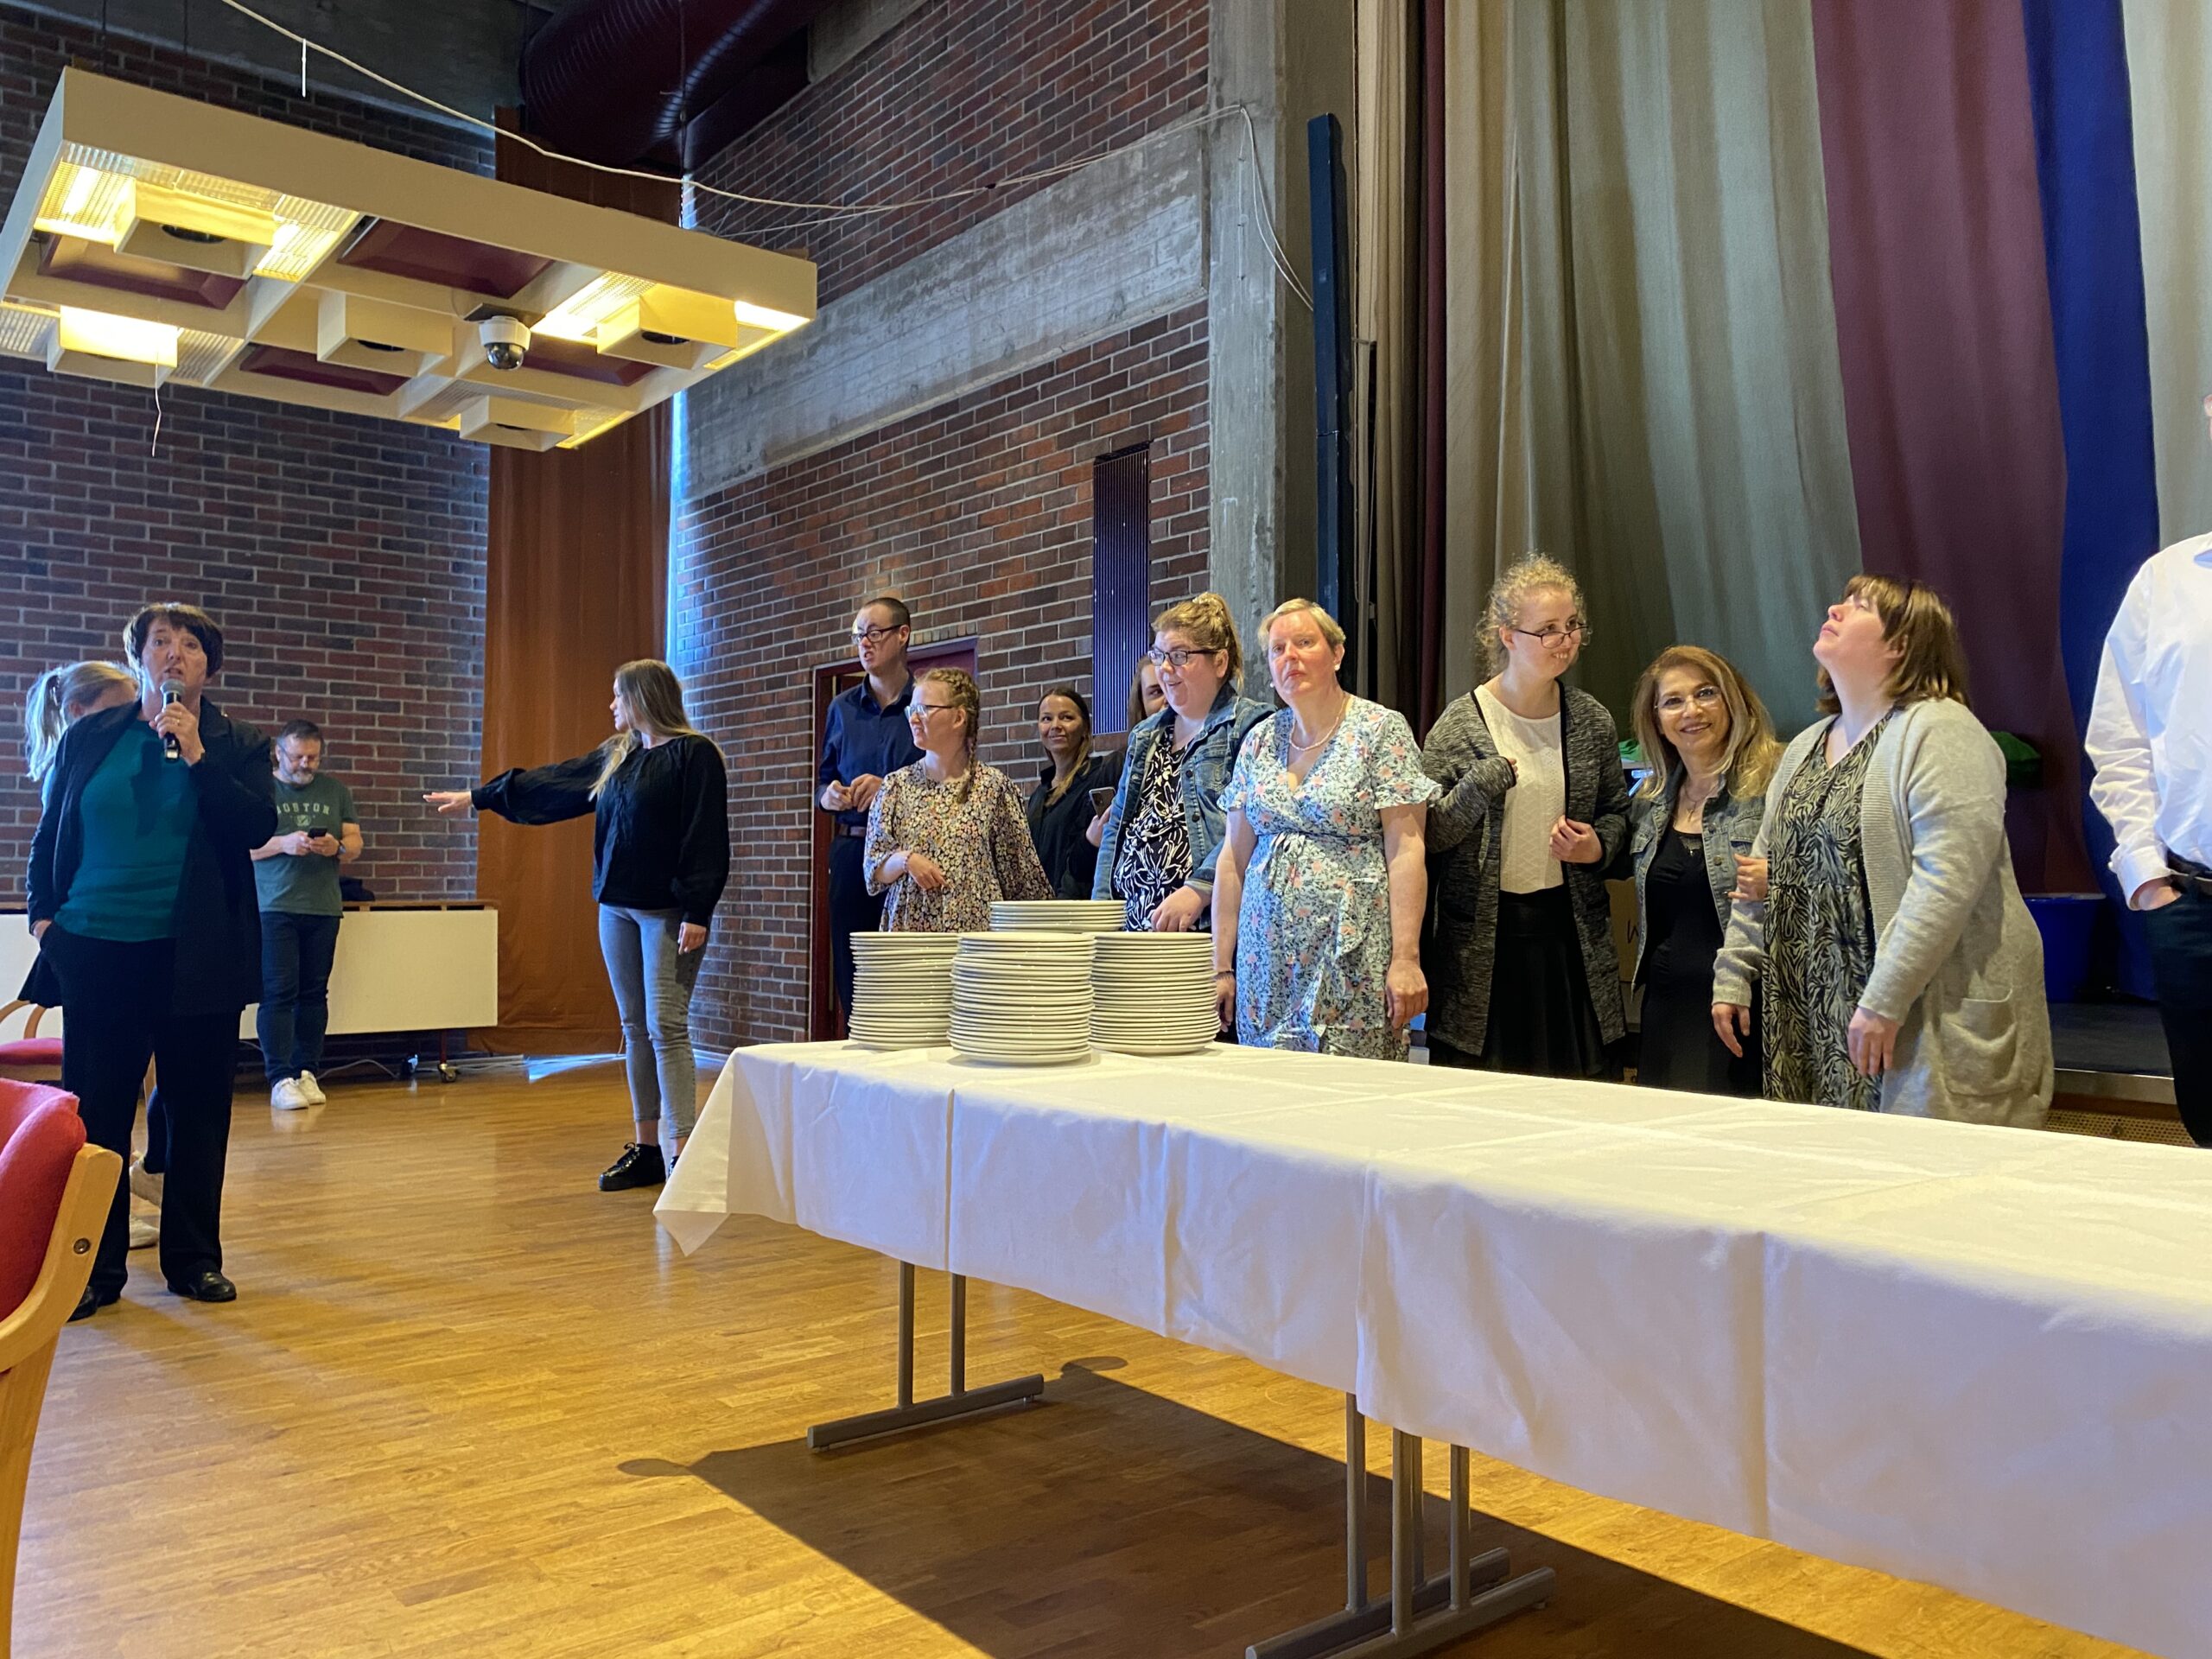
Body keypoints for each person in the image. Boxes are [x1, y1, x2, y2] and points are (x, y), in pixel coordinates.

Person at [1712, 576, 2052, 1125]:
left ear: (1902, 644)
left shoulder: (1942, 731)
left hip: (1910, 1015)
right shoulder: (1805, 746)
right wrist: (1734, 972)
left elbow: (1945, 882)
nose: (1835, 609)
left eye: (1859, 605)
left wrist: (1884, 1000)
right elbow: (1760, 871)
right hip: (1815, 1015)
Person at [29, 604, 276, 1319]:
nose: (174, 653)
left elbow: (255, 825)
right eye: (160, 641)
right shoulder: (91, 735)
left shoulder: (237, 743)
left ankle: (193, 1260)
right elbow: (51, 831)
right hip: (96, 948)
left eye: (191, 645)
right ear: (138, 657)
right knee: (97, 1115)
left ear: (209, 668)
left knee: (196, 1110)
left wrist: (197, 756)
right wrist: (45, 920)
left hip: (196, 951)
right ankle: (93, 1269)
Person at [428, 659, 728, 1191]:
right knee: (634, 1027)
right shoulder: (618, 754)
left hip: (667, 912)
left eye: (618, 696)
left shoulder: (694, 754)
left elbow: (706, 836)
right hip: (616, 907)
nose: (611, 706)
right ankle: (648, 1149)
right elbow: (552, 783)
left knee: (666, 1026)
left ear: (642, 697)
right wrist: (479, 798)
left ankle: (684, 1155)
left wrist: (698, 911)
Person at [1421, 554, 1631, 1076]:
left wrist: (1597, 846)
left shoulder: (1591, 720)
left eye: (1572, 625)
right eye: (1547, 630)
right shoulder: (1460, 725)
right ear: (1508, 636)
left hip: (1569, 935)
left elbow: (1618, 814)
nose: (1565, 640)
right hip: (1484, 945)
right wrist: (1477, 787)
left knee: (1575, 1090)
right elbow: (1429, 835)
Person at [1211, 600, 1437, 1058]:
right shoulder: (1259, 741)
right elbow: (1233, 860)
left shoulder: (1380, 729)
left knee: (1352, 1090)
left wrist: (1406, 959)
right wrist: (1221, 966)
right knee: (1266, 1089)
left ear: (1336, 654)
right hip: (1265, 966)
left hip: (1350, 960)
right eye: (1277, 649)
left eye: (1304, 642)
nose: (1289, 657)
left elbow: (1407, 851)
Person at [20, 660, 165, 1251]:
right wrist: (45, 926)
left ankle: (128, 1188)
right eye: (119, 706)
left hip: (141, 940)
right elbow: (45, 849)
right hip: (88, 939)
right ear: (80, 712)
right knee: (97, 1095)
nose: (132, 718)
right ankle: (90, 1225)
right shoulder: (78, 761)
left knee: (136, 1085)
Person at [2087, 483, 2212, 1146]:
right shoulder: (2166, 581)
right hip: (2193, 905)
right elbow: (2121, 739)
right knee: (2207, 1121)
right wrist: (2146, 878)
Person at [1624, 646, 1781, 1095]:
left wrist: (1780, 877)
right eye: (1673, 701)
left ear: (1733, 701)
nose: (1691, 711)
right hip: (1665, 1008)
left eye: (1706, 693)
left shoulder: (1777, 780)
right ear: (1657, 720)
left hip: (1745, 1002)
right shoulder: (1650, 801)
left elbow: (1827, 872)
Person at [1092, 593, 1274, 931]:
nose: (1164, 669)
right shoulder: (1145, 735)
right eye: (1159, 655)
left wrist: (1199, 889)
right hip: (1133, 927)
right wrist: (1100, 912)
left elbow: (1252, 822)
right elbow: (1116, 827)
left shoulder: (1251, 725)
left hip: (1202, 927)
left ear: (1219, 663)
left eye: (1179, 656)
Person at [864, 667, 1052, 931]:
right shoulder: (895, 787)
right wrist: (906, 860)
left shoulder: (994, 788)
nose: (913, 719)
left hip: (976, 939)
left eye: (924, 709)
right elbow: (873, 869)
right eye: (911, 710)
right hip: (911, 939)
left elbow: (1021, 879)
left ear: (958, 717)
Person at [251, 721, 362, 1112]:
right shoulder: (261, 789)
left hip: (323, 906)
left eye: (313, 757)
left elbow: (355, 843)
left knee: (314, 993)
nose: (305, 764)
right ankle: (279, 1077)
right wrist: (283, 843)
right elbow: (242, 848)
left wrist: (337, 847)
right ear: (279, 753)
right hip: (274, 906)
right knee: (278, 992)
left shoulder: (335, 791)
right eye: (297, 756)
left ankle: (306, 1071)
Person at [818, 597, 921, 1014]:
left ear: (903, 635)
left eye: (874, 633)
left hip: (909, 853)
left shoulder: (924, 704)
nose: (864, 643)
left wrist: (889, 789)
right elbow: (823, 779)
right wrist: (827, 796)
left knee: (902, 971)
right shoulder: (841, 708)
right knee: (851, 968)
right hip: (851, 848)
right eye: (859, 635)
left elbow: (944, 780)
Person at [1026, 685, 1120, 899]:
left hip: (1080, 906)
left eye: (1066, 717)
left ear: (1085, 728)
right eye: (1047, 719)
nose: (1055, 726)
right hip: (1038, 910)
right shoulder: (1039, 795)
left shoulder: (1100, 778)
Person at [1085, 658, 1167, 850]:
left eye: (1172, 686)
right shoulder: (1120, 763)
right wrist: (1092, 840)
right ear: (1141, 703)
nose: (1168, 698)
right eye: (1157, 692)